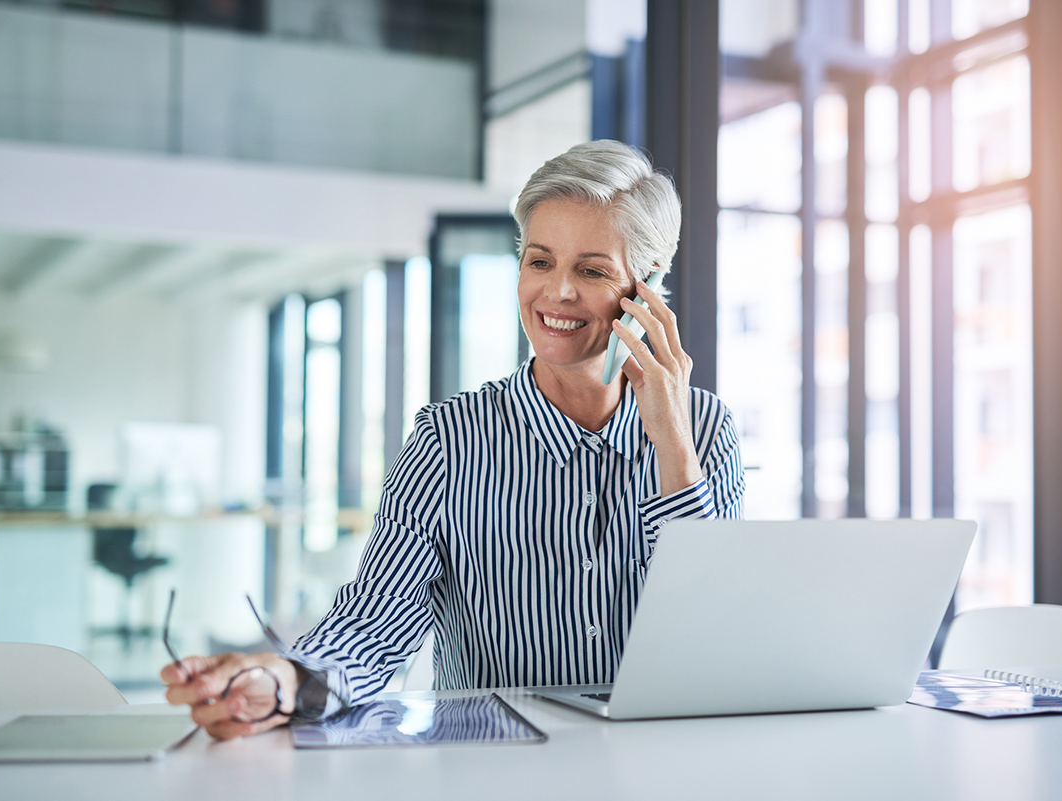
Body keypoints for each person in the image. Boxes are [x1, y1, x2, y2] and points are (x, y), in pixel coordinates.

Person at [162, 140, 745, 739]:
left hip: (666, 768)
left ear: (646, 288)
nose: (558, 293)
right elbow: (370, 627)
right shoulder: (450, 441)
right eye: (539, 261)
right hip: (498, 772)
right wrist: (285, 683)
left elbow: (717, 635)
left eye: (592, 271)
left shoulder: (706, 431)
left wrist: (672, 442)